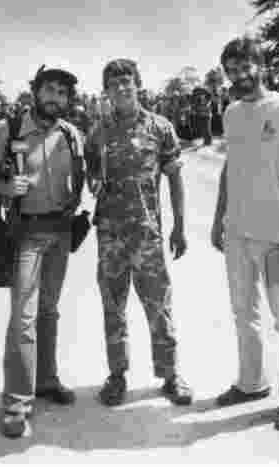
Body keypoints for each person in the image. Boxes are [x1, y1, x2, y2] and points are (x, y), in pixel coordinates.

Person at [0, 65, 84, 439]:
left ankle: (46, 381)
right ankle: (16, 403)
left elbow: (82, 177)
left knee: (49, 310)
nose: (55, 98)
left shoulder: (71, 133)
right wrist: (4, 187)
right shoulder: (8, 130)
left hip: (61, 233)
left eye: (62, 93)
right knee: (24, 318)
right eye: (49, 90)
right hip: (26, 234)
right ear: (35, 92)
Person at [210, 37, 279, 432]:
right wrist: (219, 217)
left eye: (245, 67)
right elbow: (229, 167)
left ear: (261, 65)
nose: (238, 76)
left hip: (276, 234)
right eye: (231, 71)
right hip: (237, 231)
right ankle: (251, 383)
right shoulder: (232, 113)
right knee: (243, 314)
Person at [85, 58, 193, 410]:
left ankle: (170, 374)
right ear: (106, 91)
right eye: (114, 83)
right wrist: (94, 181)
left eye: (127, 81)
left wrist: (179, 225)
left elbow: (175, 177)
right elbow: (90, 181)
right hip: (110, 237)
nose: (121, 87)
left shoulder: (160, 128)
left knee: (158, 305)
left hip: (148, 235)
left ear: (138, 84)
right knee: (112, 307)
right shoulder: (97, 133)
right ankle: (117, 375)